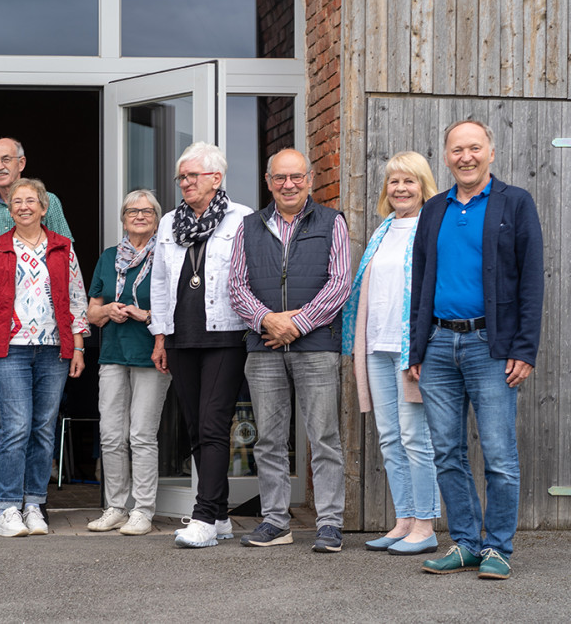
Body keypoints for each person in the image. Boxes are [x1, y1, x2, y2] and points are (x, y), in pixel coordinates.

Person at [409, 120, 543, 580]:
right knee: (447, 451)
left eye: (474, 148)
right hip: (439, 344)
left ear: (490, 152)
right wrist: (417, 349)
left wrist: (524, 348)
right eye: (456, 149)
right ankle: (466, 543)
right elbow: (420, 282)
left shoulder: (515, 203)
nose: (465, 156)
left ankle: (497, 548)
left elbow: (530, 280)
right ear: (446, 156)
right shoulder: (433, 209)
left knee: (499, 455)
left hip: (492, 346)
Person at [228, 147, 351, 553]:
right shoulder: (249, 226)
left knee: (325, 437)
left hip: (315, 346)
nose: (288, 184)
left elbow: (339, 284)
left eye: (296, 177)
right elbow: (237, 287)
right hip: (263, 347)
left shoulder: (332, 222)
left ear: (310, 179)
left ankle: (330, 523)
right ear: (268, 182)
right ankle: (276, 521)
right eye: (280, 178)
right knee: (269, 440)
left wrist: (296, 324)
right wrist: (269, 320)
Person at [148, 142, 253, 549]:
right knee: (195, 427)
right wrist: (160, 335)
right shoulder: (169, 223)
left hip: (226, 334)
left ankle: (205, 515)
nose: (185, 182)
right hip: (180, 335)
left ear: (216, 177)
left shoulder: (242, 219)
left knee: (212, 424)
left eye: (193, 175)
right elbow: (159, 281)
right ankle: (223, 515)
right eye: (182, 177)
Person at [0, 177, 89, 537]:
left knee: (43, 428)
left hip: (54, 349)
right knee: (16, 427)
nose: (23, 206)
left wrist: (79, 347)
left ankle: (34, 503)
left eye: (30, 201)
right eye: (16, 202)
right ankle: (8, 508)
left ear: (44, 207)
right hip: (8, 350)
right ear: (10, 210)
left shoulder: (63, 248)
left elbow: (77, 299)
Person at [341, 152, 441, 554]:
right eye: (394, 182)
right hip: (376, 347)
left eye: (409, 181)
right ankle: (404, 520)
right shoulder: (383, 230)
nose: (400, 189)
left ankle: (426, 525)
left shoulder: (431, 228)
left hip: (410, 349)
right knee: (389, 438)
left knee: (416, 437)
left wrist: (424, 345)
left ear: (423, 186)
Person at [86, 189, 171, 536]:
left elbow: (175, 308)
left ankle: (143, 510)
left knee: (141, 435)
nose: (139, 215)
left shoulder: (166, 255)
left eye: (147, 211)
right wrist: (107, 310)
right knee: (110, 436)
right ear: (122, 218)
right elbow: (91, 312)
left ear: (157, 218)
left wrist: (143, 313)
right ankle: (116, 507)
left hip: (152, 355)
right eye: (132, 211)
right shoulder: (108, 257)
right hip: (113, 356)